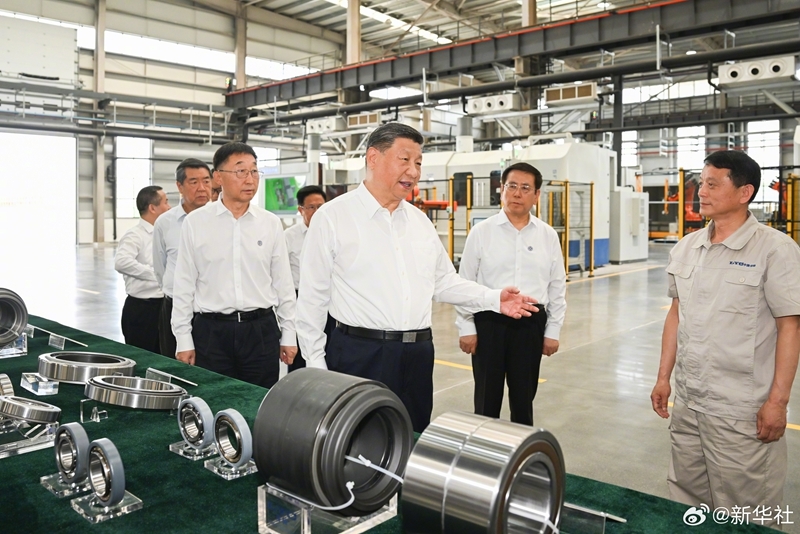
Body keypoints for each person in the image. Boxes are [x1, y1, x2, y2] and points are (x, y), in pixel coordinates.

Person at [296, 122, 541, 432]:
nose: (413, 171)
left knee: (411, 436)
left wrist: (494, 299)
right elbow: (312, 299)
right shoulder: (333, 217)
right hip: (360, 354)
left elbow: (443, 281)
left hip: (418, 354)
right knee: (358, 439)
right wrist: (317, 367)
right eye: (404, 160)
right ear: (373, 158)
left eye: (418, 162)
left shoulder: (419, 222)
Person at [650, 150, 800, 526]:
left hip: (741, 411)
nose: (701, 191)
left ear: (744, 192)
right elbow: (676, 315)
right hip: (690, 403)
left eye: (713, 184)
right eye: (702, 183)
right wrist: (664, 378)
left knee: (747, 513)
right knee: (687, 504)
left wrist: (778, 402)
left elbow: (790, 327)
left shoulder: (775, 250)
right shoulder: (687, 247)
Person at [171, 142, 297, 388]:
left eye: (254, 171)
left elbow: (283, 282)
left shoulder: (270, 223)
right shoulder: (196, 222)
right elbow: (184, 283)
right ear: (218, 177)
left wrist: (289, 333)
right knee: (212, 399)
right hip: (211, 332)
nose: (250, 179)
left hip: (261, 331)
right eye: (240, 171)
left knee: (259, 399)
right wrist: (183, 338)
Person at [456, 162, 566, 426]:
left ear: (536, 195)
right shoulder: (481, 232)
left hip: (530, 324)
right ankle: (484, 447)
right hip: (489, 322)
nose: (517, 193)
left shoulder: (548, 236)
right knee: (486, 398)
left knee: (523, 398)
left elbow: (557, 286)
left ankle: (521, 448)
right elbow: (465, 283)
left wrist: (553, 331)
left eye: (525, 188)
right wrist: (466, 327)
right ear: (502, 190)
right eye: (512, 186)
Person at [152, 158, 212, 357]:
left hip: (211, 312)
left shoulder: (223, 220)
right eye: (194, 182)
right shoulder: (165, 222)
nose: (202, 188)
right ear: (179, 186)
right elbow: (160, 265)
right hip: (174, 305)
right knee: (175, 364)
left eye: (206, 181)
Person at [115, 185, 171, 353]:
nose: (169, 207)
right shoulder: (135, 235)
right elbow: (122, 262)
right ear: (152, 208)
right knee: (143, 356)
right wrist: (157, 274)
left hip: (165, 306)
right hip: (143, 310)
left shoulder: (165, 233)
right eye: (166, 202)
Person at [284, 185, 333, 371]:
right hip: (299, 299)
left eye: (321, 206)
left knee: (328, 350)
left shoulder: (332, 234)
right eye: (311, 207)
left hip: (329, 300)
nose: (317, 211)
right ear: (300, 210)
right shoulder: (289, 237)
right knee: (300, 355)